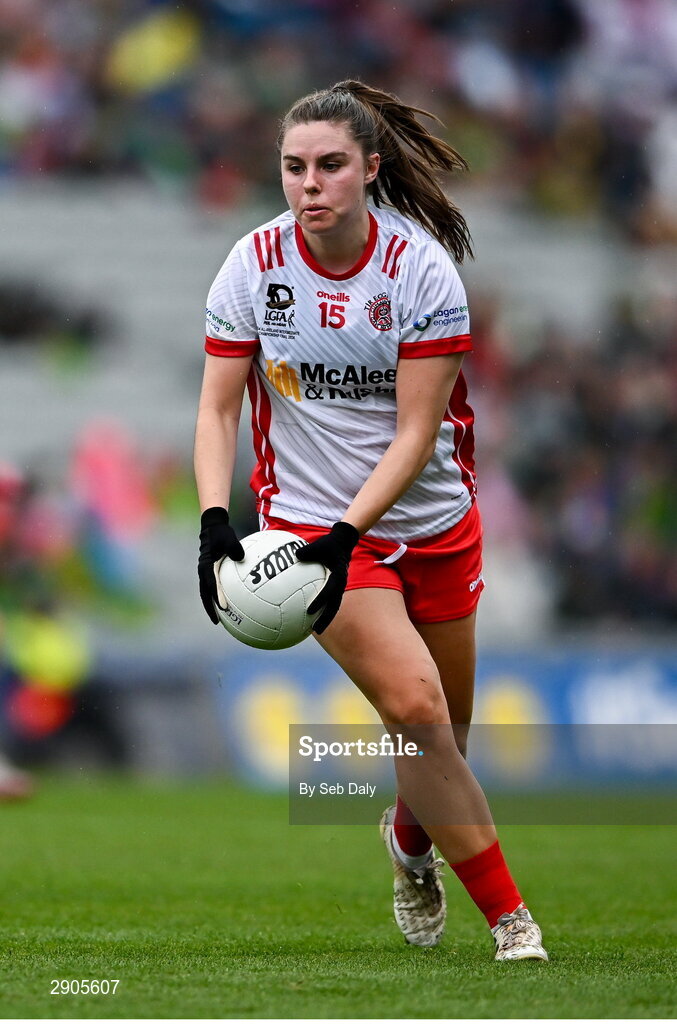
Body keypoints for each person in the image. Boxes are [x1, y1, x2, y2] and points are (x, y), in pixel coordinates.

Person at [194, 80, 548, 962]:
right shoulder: (252, 265)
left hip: (429, 522)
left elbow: (417, 430)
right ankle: (512, 922)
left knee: (441, 741)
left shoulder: (420, 271)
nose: (309, 184)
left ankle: (410, 843)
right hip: (312, 531)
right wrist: (214, 520)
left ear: (369, 170)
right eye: (293, 167)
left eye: (330, 166)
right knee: (416, 706)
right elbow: (216, 411)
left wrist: (356, 529)